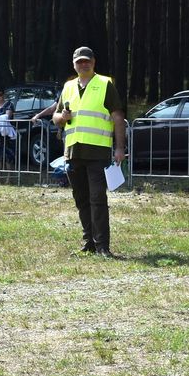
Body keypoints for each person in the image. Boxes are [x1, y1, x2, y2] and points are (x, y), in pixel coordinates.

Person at [54, 46, 127, 256]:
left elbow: (118, 117)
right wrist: (62, 117)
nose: (83, 64)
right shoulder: (68, 87)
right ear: (74, 64)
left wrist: (119, 148)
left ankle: (102, 246)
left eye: (87, 61)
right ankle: (89, 243)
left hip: (98, 152)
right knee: (81, 199)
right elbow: (56, 118)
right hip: (73, 153)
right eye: (80, 61)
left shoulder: (105, 84)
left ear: (94, 62)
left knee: (97, 199)